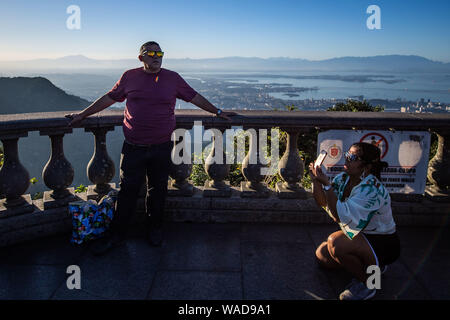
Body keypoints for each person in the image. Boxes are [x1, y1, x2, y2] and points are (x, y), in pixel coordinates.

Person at [66, 41, 235, 255]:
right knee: (127, 191)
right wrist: (83, 115)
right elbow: (109, 98)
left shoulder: (172, 78)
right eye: (151, 53)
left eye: (160, 53)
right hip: (133, 147)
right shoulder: (129, 76)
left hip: (162, 146)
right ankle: (117, 235)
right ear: (141, 58)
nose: (157, 56)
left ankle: (154, 229)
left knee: (158, 191)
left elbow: (195, 97)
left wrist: (218, 112)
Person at [308, 142, 400, 300]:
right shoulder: (343, 178)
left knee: (335, 243)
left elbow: (337, 216)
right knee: (322, 256)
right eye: (347, 155)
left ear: (367, 166)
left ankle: (370, 283)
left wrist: (328, 187)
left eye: (352, 157)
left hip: (381, 242)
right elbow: (322, 202)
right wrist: (316, 180)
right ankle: (371, 266)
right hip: (358, 235)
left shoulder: (371, 189)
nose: (347, 159)